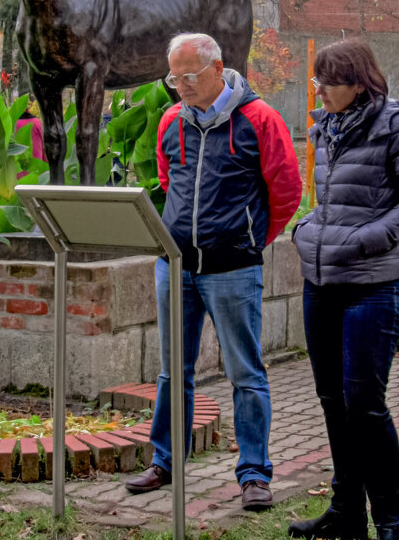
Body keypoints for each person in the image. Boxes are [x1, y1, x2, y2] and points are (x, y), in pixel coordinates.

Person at [126, 32, 302, 510]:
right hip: (175, 266)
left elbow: (286, 190)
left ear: (217, 68)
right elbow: (169, 182)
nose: (179, 85)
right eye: (173, 77)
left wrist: (248, 241)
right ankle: (165, 461)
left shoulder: (259, 119)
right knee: (171, 372)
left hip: (233, 270)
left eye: (188, 76)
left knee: (245, 372)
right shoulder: (170, 122)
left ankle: (254, 475)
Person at [289, 39, 399, 540]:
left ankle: (391, 524)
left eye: (328, 81)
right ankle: (346, 511)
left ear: (358, 82)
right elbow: (329, 202)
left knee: (364, 405)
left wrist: (366, 239)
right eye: (317, 81)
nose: (319, 90)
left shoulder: (397, 126)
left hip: (373, 287)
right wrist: (307, 230)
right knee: (332, 400)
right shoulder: (325, 127)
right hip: (321, 284)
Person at [15, 105, 46, 177]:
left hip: (20, 157)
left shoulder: (15, 123)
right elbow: (43, 140)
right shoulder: (36, 121)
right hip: (36, 157)